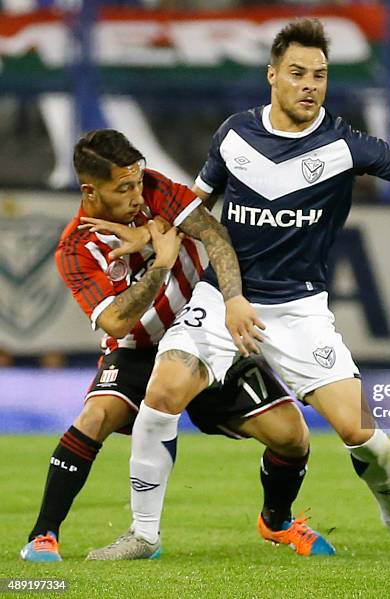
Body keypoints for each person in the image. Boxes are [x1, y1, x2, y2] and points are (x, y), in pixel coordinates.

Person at [91, 18, 390, 560]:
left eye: (320, 75)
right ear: (272, 76)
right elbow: (194, 204)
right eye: (298, 73)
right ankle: (143, 534)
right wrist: (148, 233)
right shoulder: (234, 134)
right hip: (223, 296)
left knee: (357, 430)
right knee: (162, 396)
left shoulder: (346, 146)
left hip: (299, 309)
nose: (310, 84)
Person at [20, 129, 334, 563]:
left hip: (203, 337)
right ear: (90, 191)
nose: (137, 193)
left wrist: (231, 301)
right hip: (138, 350)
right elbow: (115, 319)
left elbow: (216, 236)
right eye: (123, 187)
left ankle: (277, 521)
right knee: (94, 418)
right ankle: (43, 536)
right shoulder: (75, 247)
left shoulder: (156, 190)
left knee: (292, 437)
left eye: (137, 180)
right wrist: (163, 262)